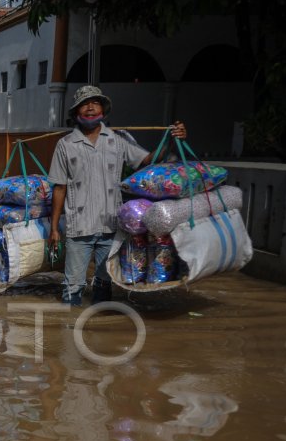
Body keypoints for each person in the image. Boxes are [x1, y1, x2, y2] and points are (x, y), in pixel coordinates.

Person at [48, 85, 187, 306]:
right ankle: (68, 332)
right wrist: (54, 229)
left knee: (104, 285)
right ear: (76, 113)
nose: (91, 107)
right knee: (72, 287)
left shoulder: (118, 139)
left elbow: (147, 160)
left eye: (95, 102)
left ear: (103, 109)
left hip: (111, 227)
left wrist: (170, 139)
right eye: (85, 103)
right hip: (78, 227)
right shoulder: (65, 145)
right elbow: (59, 188)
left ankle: (97, 333)